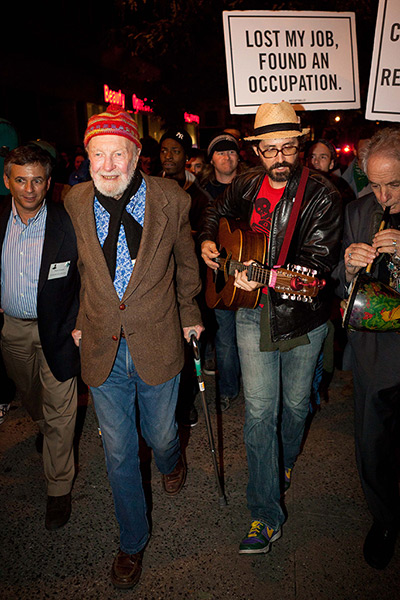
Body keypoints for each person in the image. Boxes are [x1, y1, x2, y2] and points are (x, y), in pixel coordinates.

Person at [64, 104, 203, 590]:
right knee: (120, 452)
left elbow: (187, 266)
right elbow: (82, 271)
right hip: (102, 345)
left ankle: (173, 459)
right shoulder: (76, 201)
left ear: (136, 154)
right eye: (96, 155)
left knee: (162, 435)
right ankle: (132, 542)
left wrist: (190, 315)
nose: (106, 165)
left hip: (160, 336)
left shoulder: (171, 198)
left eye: (116, 154)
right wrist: (80, 320)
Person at [199, 101, 342, 554]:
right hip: (248, 313)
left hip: (302, 316)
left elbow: (315, 271)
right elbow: (212, 213)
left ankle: (283, 461)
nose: (279, 158)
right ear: (256, 151)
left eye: (288, 148)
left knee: (296, 407)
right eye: (269, 150)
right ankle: (265, 513)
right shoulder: (244, 184)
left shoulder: (323, 195)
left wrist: (262, 275)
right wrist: (208, 242)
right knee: (260, 413)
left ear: (299, 146)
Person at [0, 144, 80, 530]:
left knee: (62, 411)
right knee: (30, 395)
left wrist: (81, 323)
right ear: (7, 181)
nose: (28, 189)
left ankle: (59, 488)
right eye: (20, 180)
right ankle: (45, 427)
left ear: (48, 184)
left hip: (59, 330)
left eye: (36, 180)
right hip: (13, 330)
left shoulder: (68, 225)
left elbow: (85, 281)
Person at [332, 127, 400, 570]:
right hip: (376, 350)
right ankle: (384, 519)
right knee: (373, 443)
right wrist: (348, 265)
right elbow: (337, 284)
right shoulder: (359, 211)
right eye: (374, 184)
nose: (383, 195)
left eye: (393, 184)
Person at [159, 127, 212, 426]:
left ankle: (187, 401)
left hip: (188, 282)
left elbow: (204, 237)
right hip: (159, 282)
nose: (168, 157)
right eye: (164, 151)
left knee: (189, 343)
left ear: (186, 157)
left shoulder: (198, 196)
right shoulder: (149, 187)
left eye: (175, 151)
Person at [200, 133, 244, 411]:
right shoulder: (203, 193)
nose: (227, 157)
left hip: (253, 269)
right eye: (220, 152)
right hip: (220, 273)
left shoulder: (253, 185)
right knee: (226, 338)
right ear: (211, 159)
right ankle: (228, 389)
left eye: (231, 152)